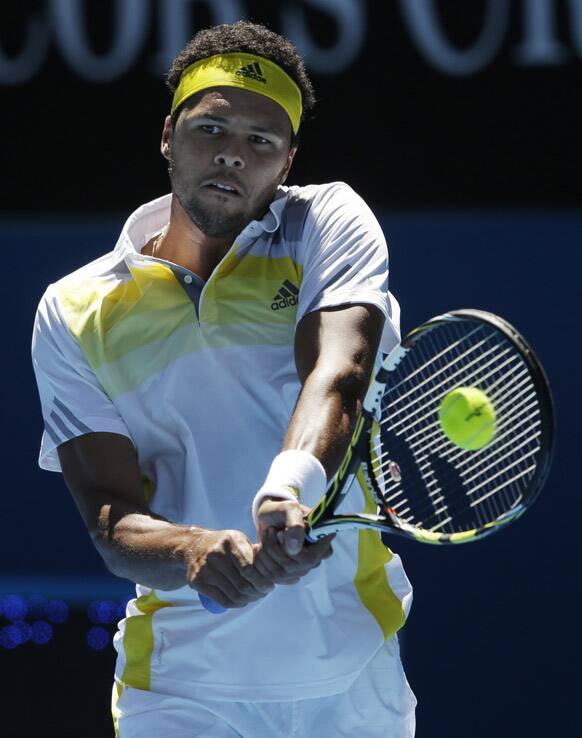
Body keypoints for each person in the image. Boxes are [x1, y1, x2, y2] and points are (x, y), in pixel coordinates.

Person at [31, 20, 416, 738]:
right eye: (212, 130)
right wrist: (192, 551)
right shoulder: (76, 309)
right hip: (177, 694)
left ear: (288, 159)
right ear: (169, 136)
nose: (233, 156)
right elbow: (109, 518)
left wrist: (287, 490)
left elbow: (339, 373)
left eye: (261, 142)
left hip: (354, 680)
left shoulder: (323, 222)